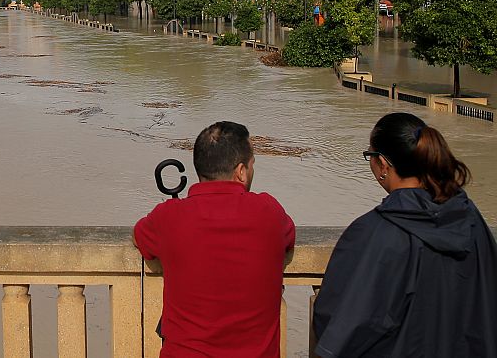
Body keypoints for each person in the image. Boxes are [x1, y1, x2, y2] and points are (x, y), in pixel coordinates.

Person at [313, 112, 497, 357]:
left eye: (370, 155)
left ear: (383, 164)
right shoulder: (469, 217)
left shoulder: (374, 230)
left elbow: (341, 323)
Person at [134, 121, 295, 357]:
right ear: (241, 171)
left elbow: (140, 237)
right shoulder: (269, 212)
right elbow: (288, 239)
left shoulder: (168, 216)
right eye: (252, 165)